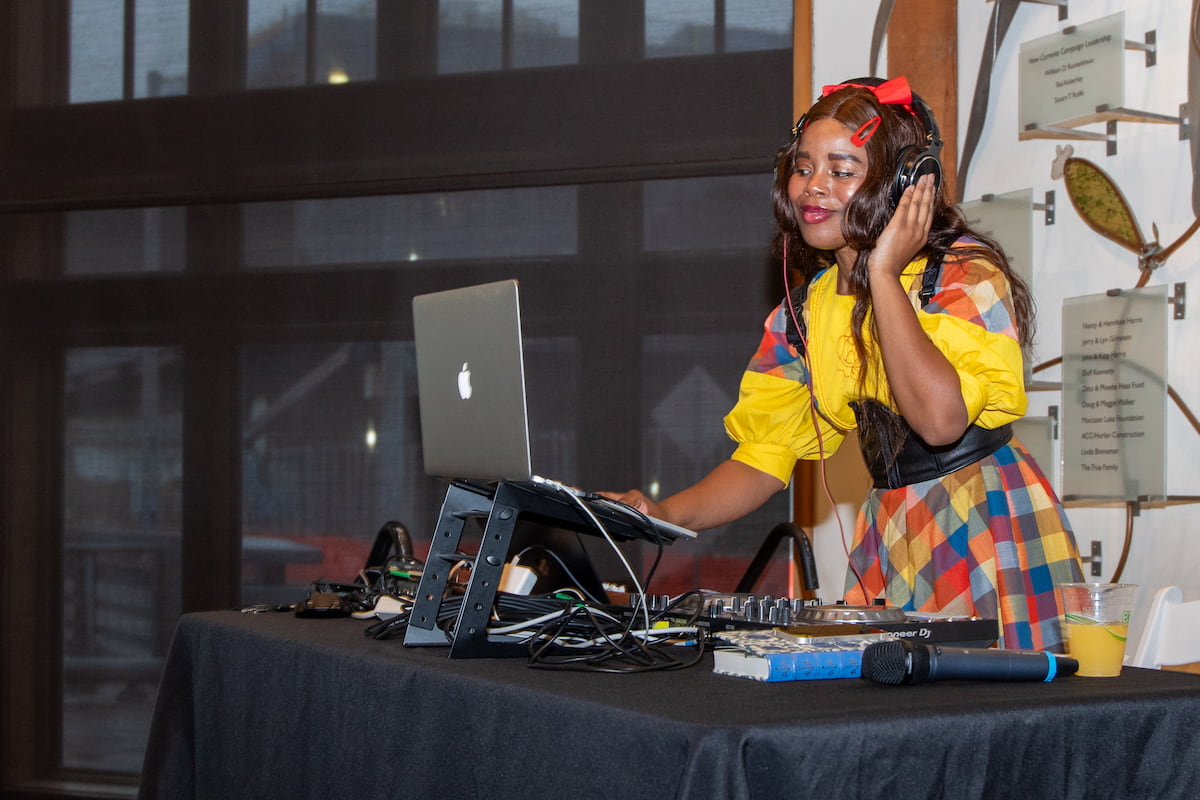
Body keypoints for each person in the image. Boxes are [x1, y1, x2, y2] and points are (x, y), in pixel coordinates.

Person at [606, 76, 1084, 652]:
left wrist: (882, 275)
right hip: (889, 524)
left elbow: (939, 422)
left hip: (984, 517)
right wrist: (662, 513)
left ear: (904, 182)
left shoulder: (961, 275)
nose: (814, 187)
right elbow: (763, 458)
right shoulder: (804, 313)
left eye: (841, 169)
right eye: (803, 167)